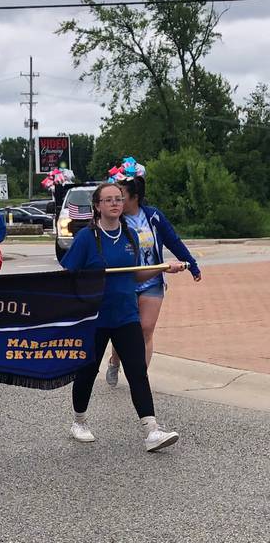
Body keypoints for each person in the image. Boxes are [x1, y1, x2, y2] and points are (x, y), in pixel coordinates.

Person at [60, 182, 188, 452]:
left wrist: (163, 268)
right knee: (87, 371)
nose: (115, 204)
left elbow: (136, 274)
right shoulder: (87, 238)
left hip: (126, 315)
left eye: (118, 199)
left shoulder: (130, 235)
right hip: (94, 317)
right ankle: (79, 422)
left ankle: (151, 430)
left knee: (137, 371)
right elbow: (68, 274)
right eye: (108, 200)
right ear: (97, 206)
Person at [106, 176, 202, 386]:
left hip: (152, 281)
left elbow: (173, 241)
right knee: (124, 329)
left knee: (146, 328)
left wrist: (191, 264)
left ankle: (139, 377)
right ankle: (114, 361)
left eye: (121, 195)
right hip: (125, 283)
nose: (117, 200)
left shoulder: (153, 217)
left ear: (135, 197)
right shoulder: (114, 219)